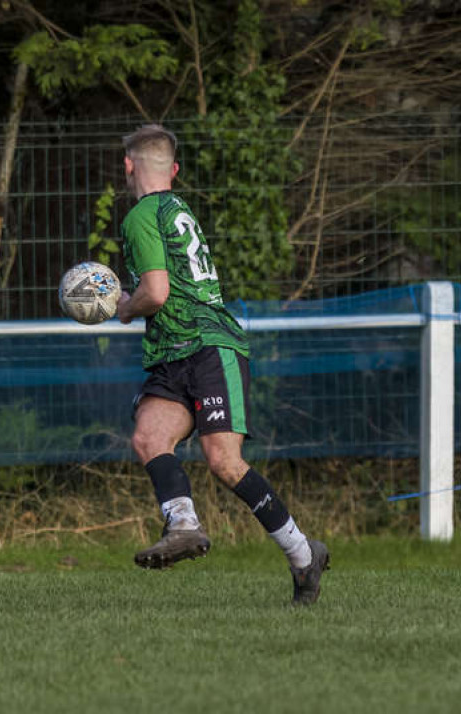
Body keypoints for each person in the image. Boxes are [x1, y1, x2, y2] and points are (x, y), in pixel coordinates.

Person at [117, 124, 329, 606]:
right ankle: (184, 527)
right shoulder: (177, 207)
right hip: (175, 349)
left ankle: (303, 555)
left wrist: (124, 307)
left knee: (224, 462)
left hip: (210, 345)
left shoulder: (139, 216)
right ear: (172, 170)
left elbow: (156, 292)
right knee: (150, 437)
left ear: (129, 166)